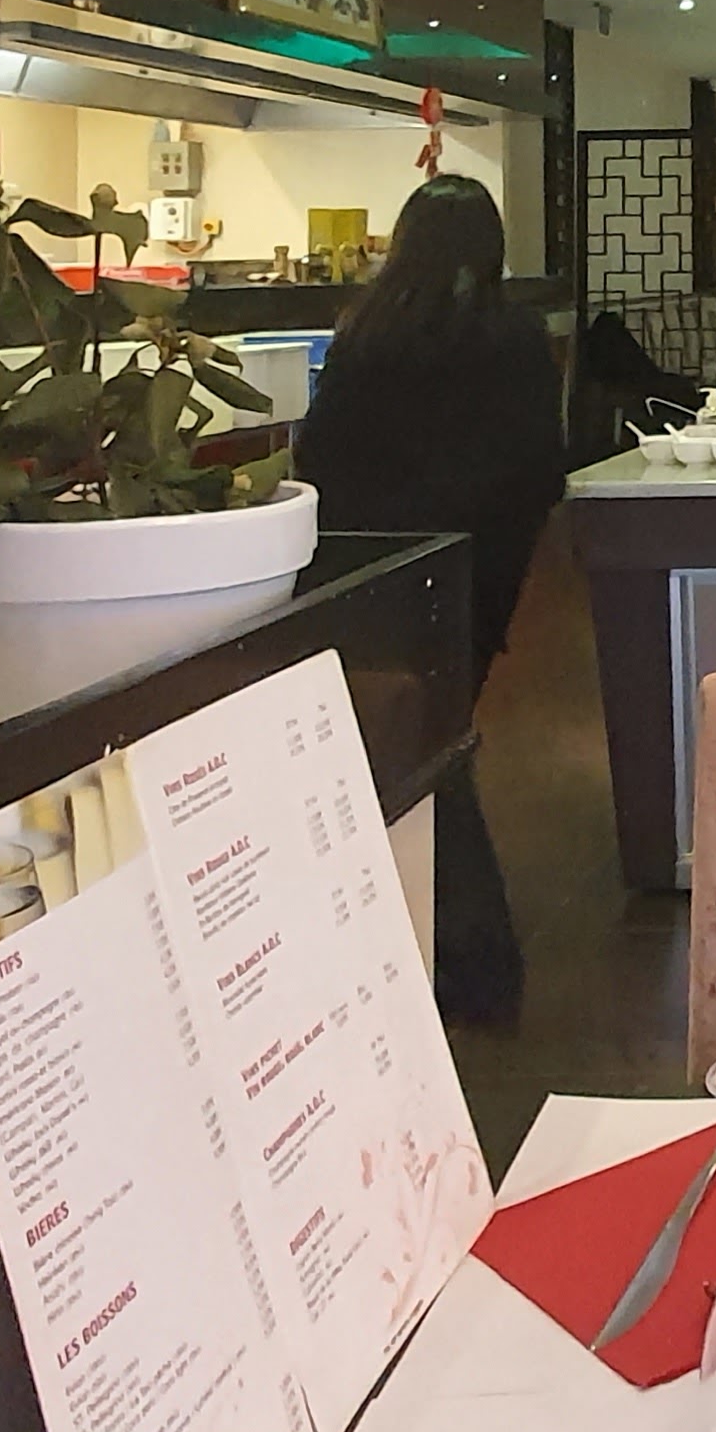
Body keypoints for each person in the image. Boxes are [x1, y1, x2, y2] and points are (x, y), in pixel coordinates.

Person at [294, 175, 562, 1026]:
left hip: (370, 575)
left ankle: (424, 945)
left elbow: (320, 457)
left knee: (403, 745)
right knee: (438, 743)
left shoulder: (367, 335)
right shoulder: (513, 338)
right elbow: (539, 467)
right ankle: (474, 960)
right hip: (474, 575)